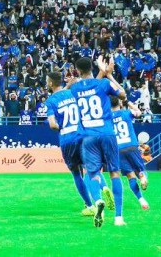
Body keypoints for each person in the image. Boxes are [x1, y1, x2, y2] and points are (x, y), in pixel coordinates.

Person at [69, 56, 127, 227]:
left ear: (77, 70)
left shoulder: (75, 88)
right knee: (114, 173)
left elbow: (86, 88)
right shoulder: (102, 84)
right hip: (107, 133)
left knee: (92, 173)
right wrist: (108, 74)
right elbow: (123, 95)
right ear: (91, 69)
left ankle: (98, 201)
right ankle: (118, 218)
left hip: (88, 136)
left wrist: (102, 72)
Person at [45, 71, 95, 217]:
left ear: (50, 83)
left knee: (76, 173)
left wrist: (62, 126)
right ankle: (103, 190)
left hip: (68, 139)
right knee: (91, 168)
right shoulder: (72, 93)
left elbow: (53, 125)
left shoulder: (50, 101)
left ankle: (90, 205)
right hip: (83, 134)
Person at [110, 96, 150, 211]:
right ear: (119, 103)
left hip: (118, 149)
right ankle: (142, 177)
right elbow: (139, 112)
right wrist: (128, 102)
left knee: (130, 176)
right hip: (131, 145)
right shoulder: (126, 113)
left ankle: (142, 200)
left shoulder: (107, 117)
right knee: (141, 170)